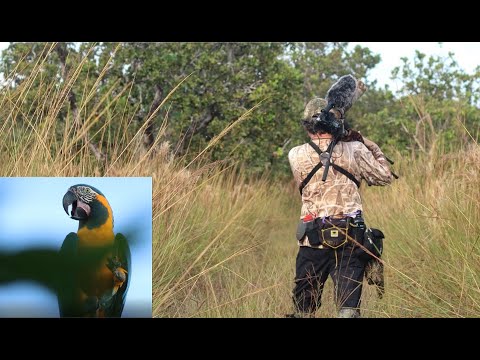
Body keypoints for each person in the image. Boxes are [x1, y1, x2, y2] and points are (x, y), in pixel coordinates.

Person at [287, 95, 393, 318]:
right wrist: (368, 144)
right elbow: (384, 177)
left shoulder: (295, 154)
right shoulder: (356, 149)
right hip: (350, 240)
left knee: (303, 311)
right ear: (337, 124)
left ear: (308, 125)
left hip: (311, 241)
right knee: (348, 311)